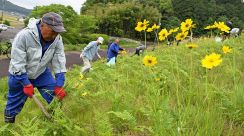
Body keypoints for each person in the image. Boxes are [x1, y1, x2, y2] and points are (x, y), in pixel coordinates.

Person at [4, 12, 67, 123]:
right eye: (53, 31)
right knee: (14, 102)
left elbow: (59, 60)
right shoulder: (24, 36)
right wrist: (26, 83)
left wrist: (59, 84)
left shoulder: (57, 39)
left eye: (57, 32)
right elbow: (17, 63)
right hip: (20, 75)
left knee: (54, 97)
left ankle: (58, 122)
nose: (54, 35)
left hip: (41, 73)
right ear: (42, 25)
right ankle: (9, 125)